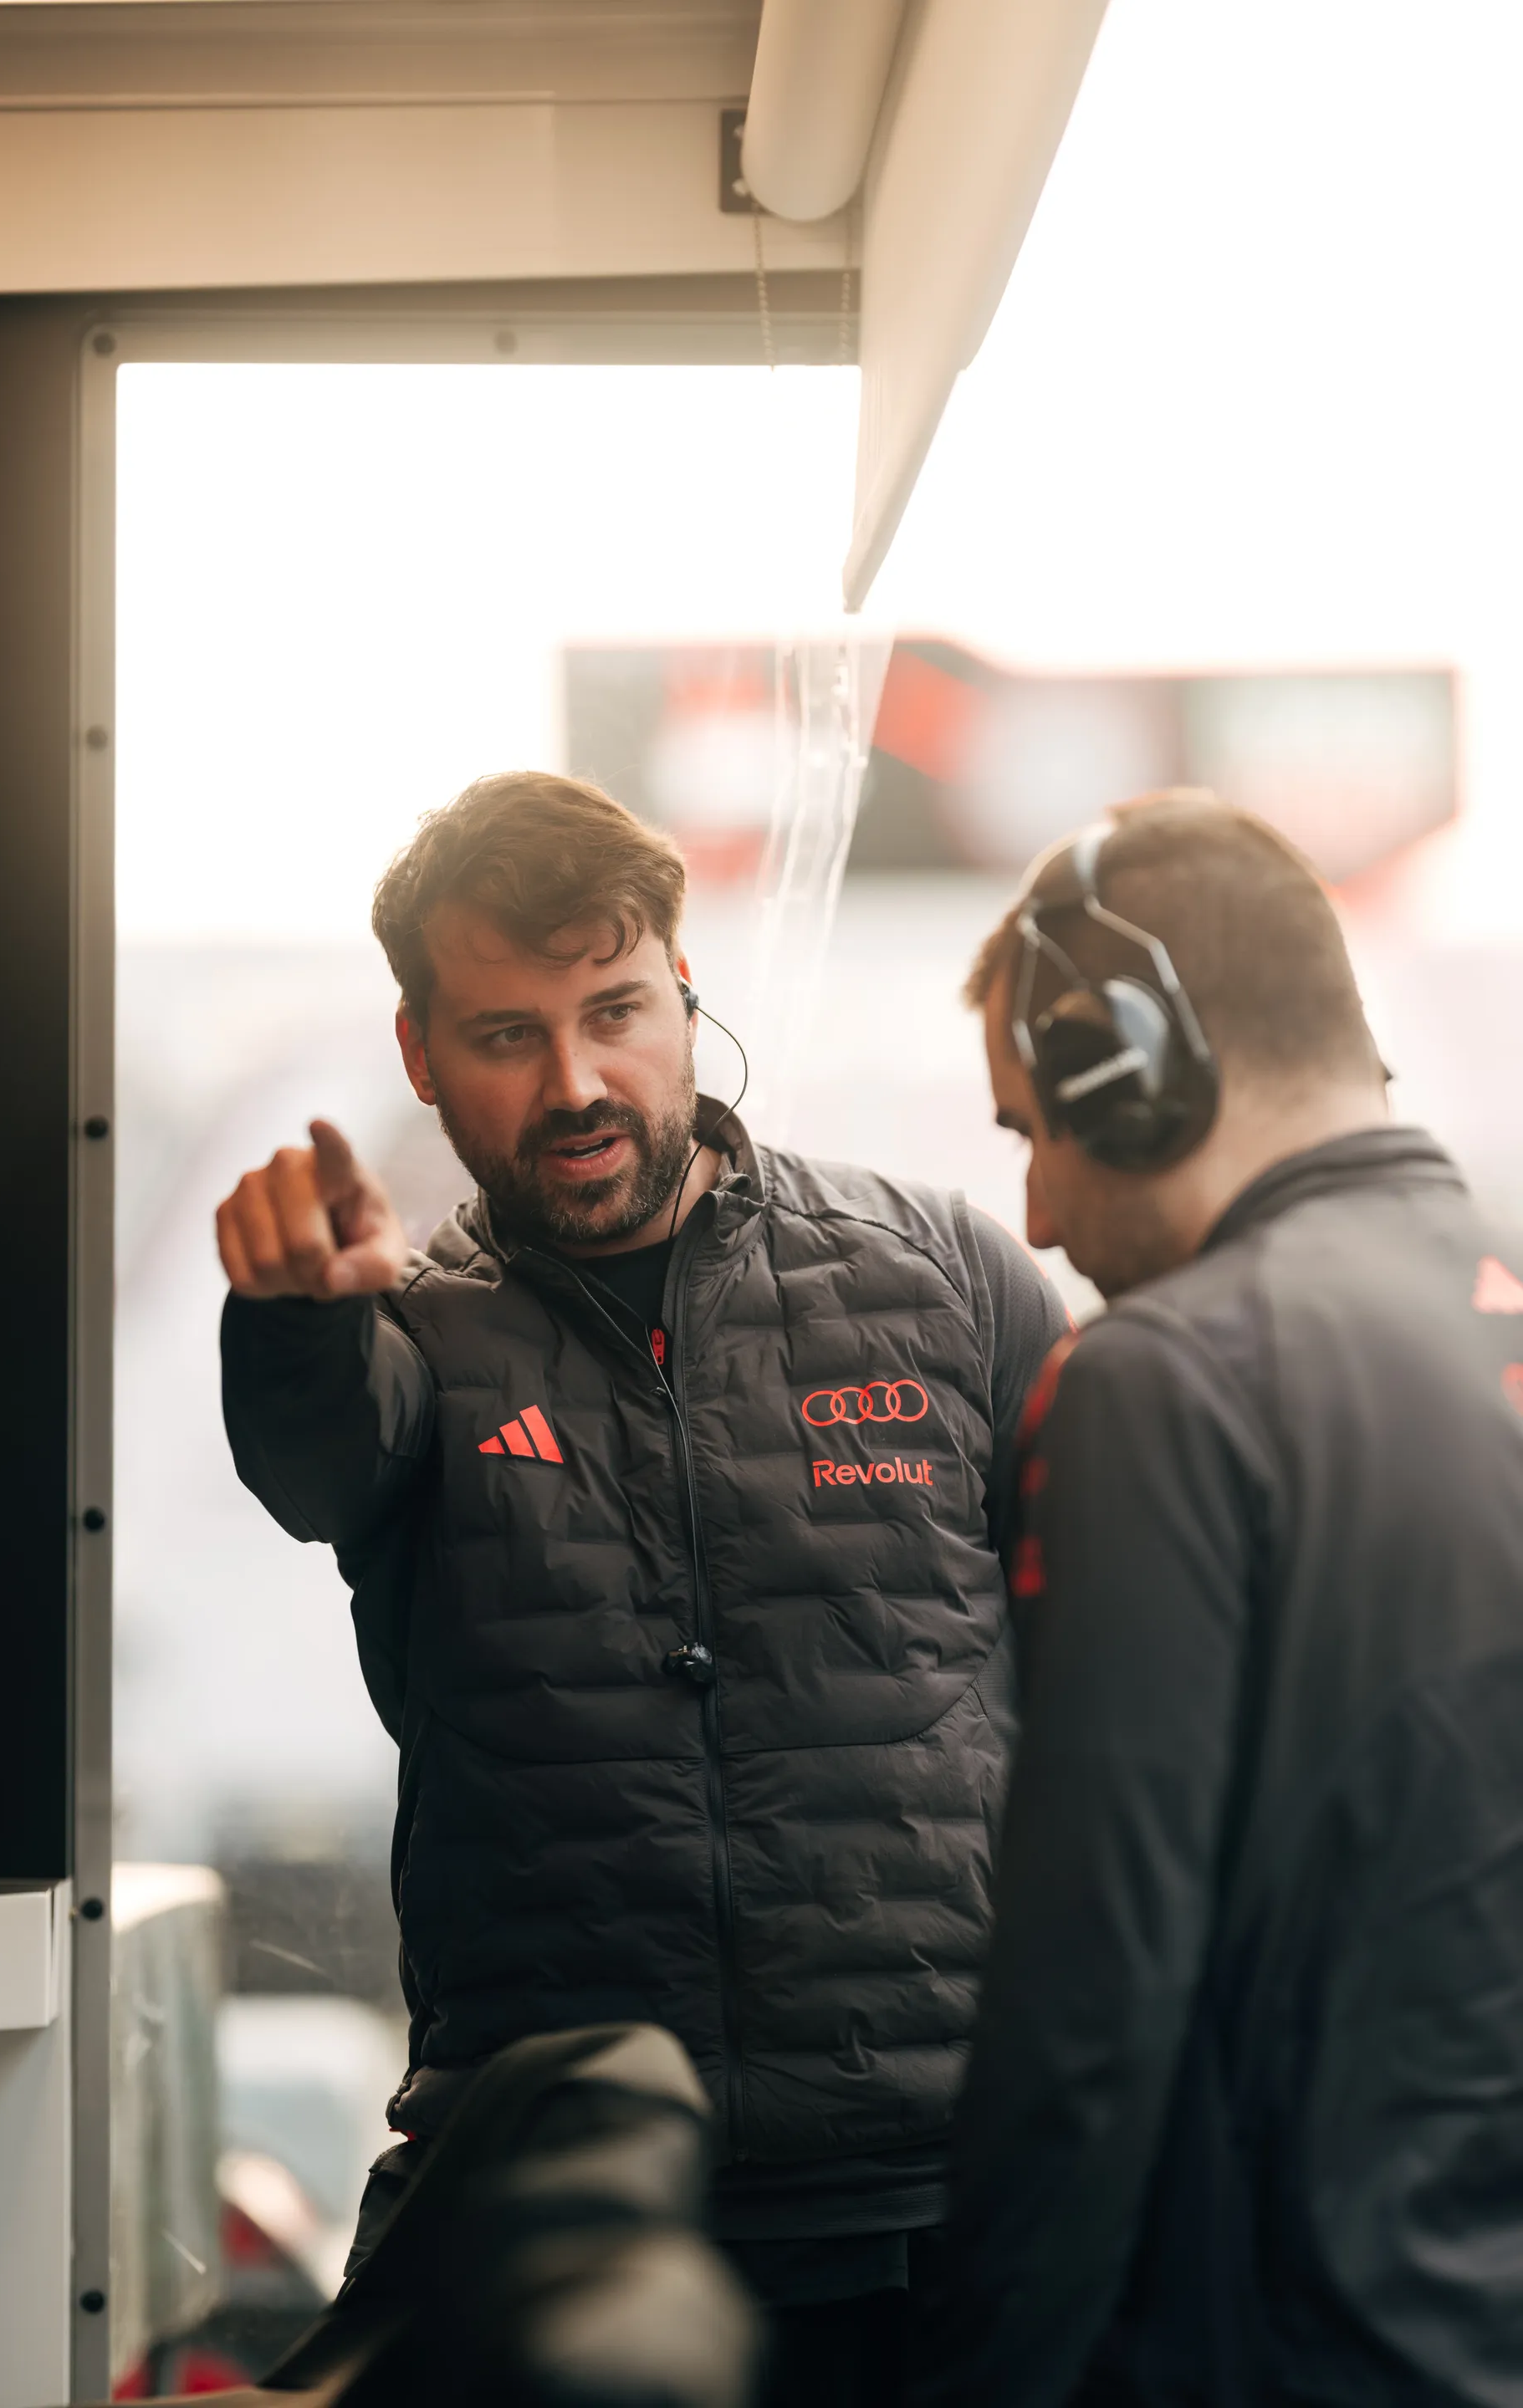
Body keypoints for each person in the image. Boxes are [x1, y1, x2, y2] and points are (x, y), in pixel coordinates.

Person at [214, 771, 1068, 2406]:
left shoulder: (951, 1279)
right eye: (506, 1035)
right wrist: (295, 1317)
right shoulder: (408, 1338)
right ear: (419, 1054)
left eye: (615, 1011)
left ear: (684, 989)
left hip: (949, 2212)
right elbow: (319, 1460)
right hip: (558, 2226)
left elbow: (1123, 1704)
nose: (577, 1084)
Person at [918, 793, 1523, 2407]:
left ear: (1132, 1071)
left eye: (1028, 1131)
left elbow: (1090, 2008)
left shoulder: (1167, 1381)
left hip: (1297, 2345)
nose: (1037, 1217)